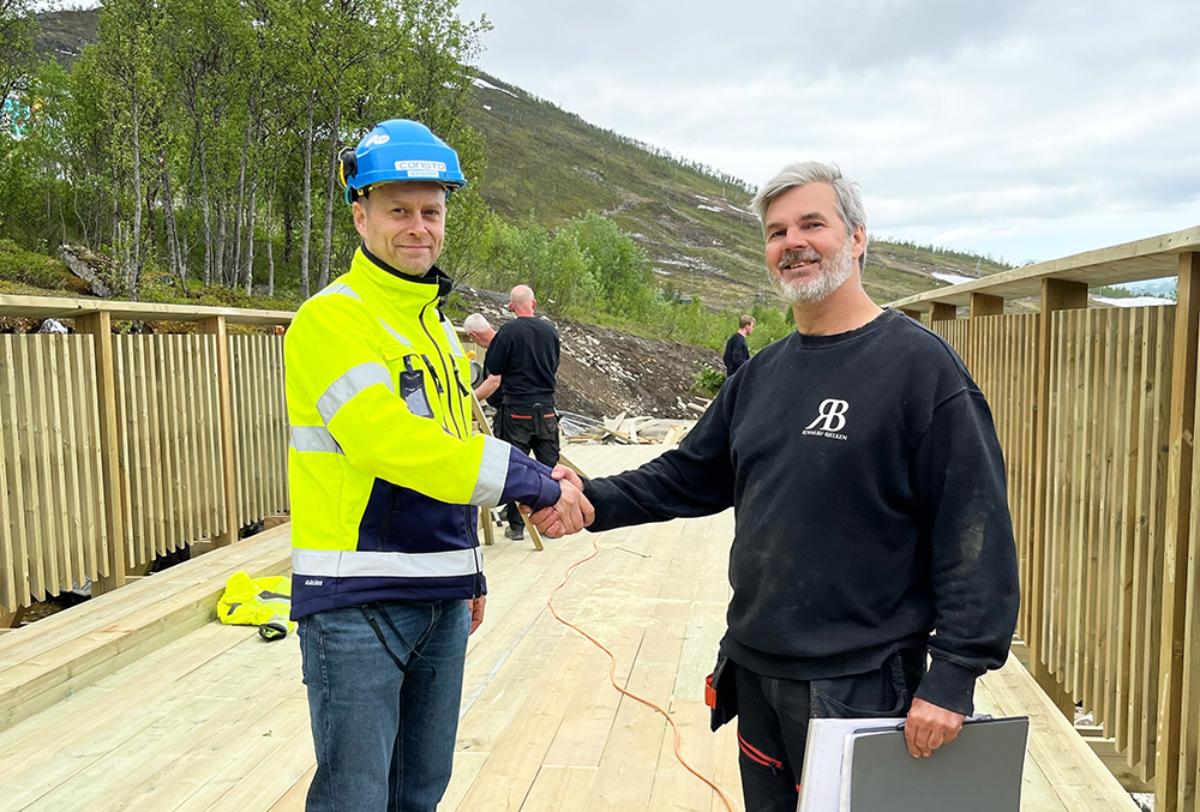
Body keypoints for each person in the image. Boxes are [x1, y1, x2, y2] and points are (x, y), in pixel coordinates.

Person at [530, 161, 1019, 812]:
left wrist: (954, 675)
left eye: (811, 223)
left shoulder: (920, 370)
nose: (792, 241)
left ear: (857, 237)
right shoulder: (762, 375)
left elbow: (974, 527)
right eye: (776, 231)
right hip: (757, 669)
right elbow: (691, 474)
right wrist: (592, 500)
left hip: (860, 681)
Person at [284, 119, 592, 812]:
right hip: (356, 601)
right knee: (355, 798)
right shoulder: (332, 320)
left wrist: (469, 569)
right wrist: (535, 482)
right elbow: (390, 444)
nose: (418, 226)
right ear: (360, 214)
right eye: (398, 210)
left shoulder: (439, 332)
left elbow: (456, 453)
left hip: (441, 597)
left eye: (432, 210)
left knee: (420, 791)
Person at [483, 285, 562, 541]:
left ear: (510, 307)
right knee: (549, 467)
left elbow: (494, 368)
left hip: (517, 412)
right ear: (534, 303)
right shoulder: (550, 331)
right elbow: (554, 364)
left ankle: (516, 526)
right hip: (547, 410)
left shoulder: (508, 332)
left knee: (516, 467)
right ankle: (551, 523)